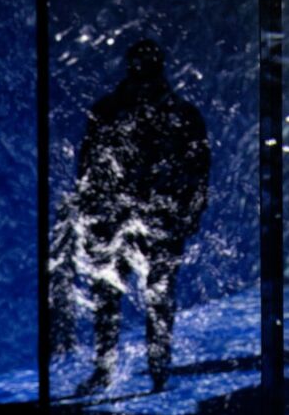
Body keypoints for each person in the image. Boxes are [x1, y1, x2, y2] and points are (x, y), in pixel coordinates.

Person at [73, 39, 210, 395]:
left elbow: (87, 169)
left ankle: (114, 371)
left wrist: (90, 215)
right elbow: (198, 170)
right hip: (152, 221)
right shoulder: (180, 114)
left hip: (120, 220)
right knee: (155, 300)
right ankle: (155, 369)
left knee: (114, 300)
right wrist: (187, 214)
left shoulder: (109, 111)